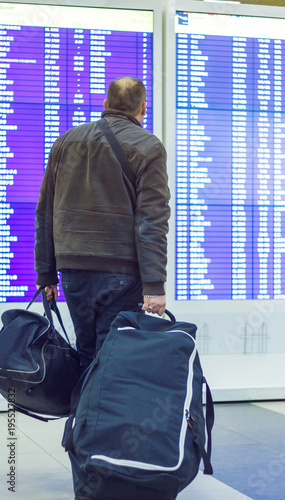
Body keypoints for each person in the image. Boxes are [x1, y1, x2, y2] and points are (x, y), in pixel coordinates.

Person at [34, 76, 170, 372]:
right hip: (122, 273)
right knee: (113, 363)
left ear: (105, 105)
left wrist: (46, 274)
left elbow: (45, 211)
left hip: (73, 271)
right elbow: (152, 220)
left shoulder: (66, 141)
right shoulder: (148, 147)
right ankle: (98, 419)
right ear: (143, 108)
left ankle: (79, 419)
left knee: (86, 357)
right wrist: (154, 285)